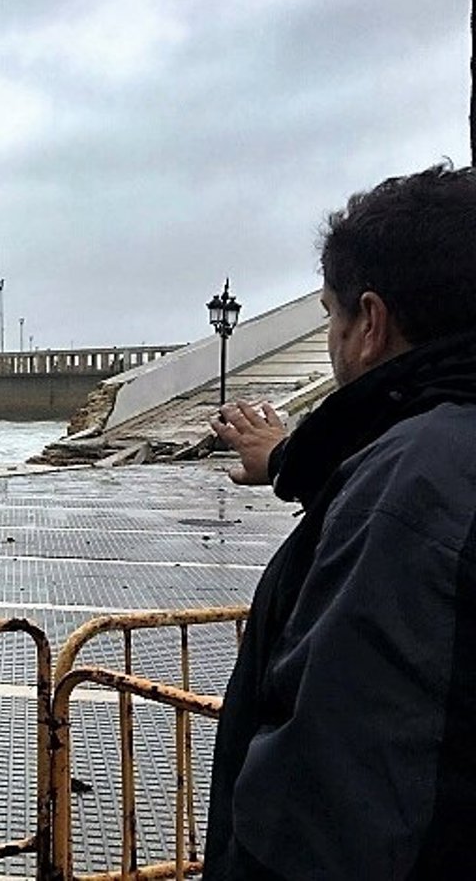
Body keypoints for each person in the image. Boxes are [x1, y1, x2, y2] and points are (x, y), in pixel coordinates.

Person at [204, 163, 476, 879]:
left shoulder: (407, 494)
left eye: (331, 312)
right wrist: (295, 460)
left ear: (370, 324)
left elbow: (326, 807)